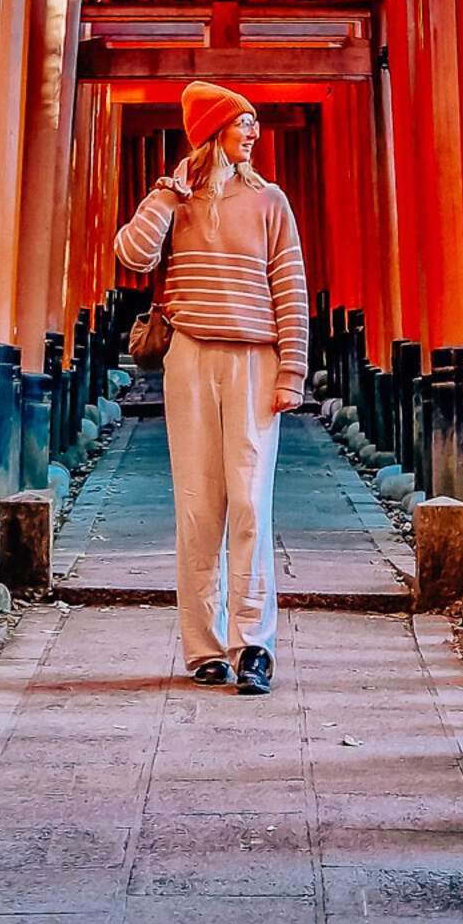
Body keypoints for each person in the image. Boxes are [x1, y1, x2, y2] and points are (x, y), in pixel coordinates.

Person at [115, 80, 309, 694]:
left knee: (250, 501)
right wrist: (164, 199)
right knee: (199, 505)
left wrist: (292, 373)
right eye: (241, 122)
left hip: (254, 358)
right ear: (212, 132)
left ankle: (253, 643)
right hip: (190, 357)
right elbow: (133, 254)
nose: (253, 132)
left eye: (253, 122)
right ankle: (204, 648)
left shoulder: (271, 201)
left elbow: (291, 292)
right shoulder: (180, 200)